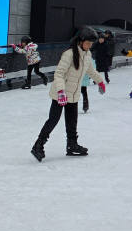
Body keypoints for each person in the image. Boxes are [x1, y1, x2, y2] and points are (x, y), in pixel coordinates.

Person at [30, 26, 105, 162]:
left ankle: (72, 145)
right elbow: (59, 74)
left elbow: (90, 70)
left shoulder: (87, 55)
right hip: (61, 94)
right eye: (88, 43)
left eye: (91, 44)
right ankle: (38, 145)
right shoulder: (69, 54)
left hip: (74, 94)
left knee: (72, 122)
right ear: (80, 41)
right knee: (53, 120)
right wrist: (61, 91)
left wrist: (100, 81)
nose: (89, 46)